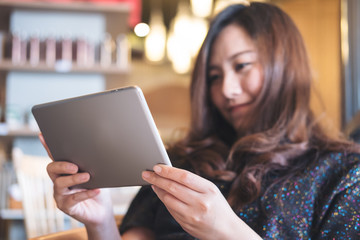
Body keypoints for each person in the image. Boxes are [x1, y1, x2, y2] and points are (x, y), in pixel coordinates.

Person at [42, 2, 360, 239]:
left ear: (287, 66)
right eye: (214, 76)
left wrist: (228, 231)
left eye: (243, 66)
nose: (227, 90)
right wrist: (99, 221)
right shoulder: (179, 162)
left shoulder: (342, 174)